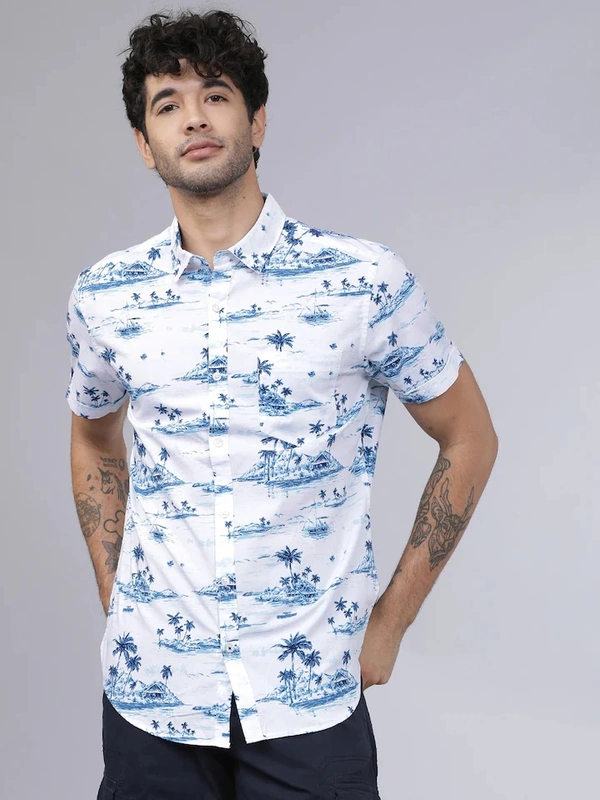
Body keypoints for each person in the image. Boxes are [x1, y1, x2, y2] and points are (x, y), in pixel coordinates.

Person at [66, 9, 498, 800]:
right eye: (167, 104)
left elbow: (470, 437)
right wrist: (115, 587)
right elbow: (94, 439)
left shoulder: (363, 281)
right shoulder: (105, 296)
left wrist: (391, 621)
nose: (194, 117)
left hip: (310, 704)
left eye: (216, 94)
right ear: (144, 144)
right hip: (153, 700)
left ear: (257, 119)